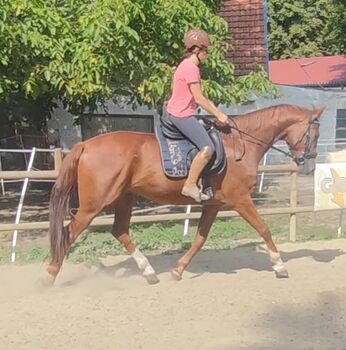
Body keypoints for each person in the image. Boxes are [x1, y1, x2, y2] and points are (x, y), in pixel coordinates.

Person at [166, 28, 229, 202]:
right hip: (182, 115)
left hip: (182, 112)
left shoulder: (184, 65)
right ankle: (190, 184)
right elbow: (199, 98)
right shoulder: (191, 68)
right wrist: (218, 114)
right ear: (197, 50)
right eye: (206, 50)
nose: (207, 54)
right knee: (208, 148)